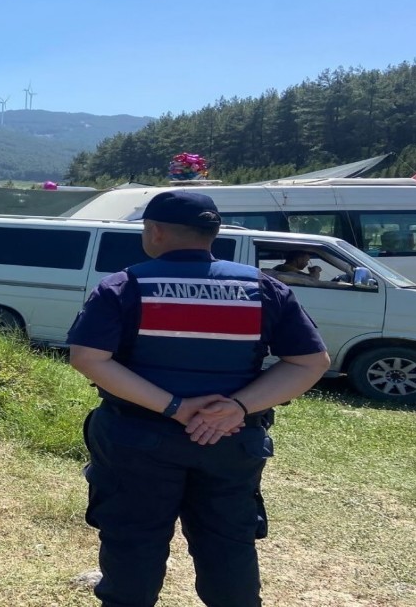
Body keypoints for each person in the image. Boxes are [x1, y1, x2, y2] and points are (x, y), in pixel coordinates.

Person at [65, 191, 331, 607]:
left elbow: (87, 358)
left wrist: (175, 406)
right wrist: (238, 407)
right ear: (213, 233)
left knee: (133, 546)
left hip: (137, 439)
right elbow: (311, 362)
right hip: (231, 440)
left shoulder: (125, 285)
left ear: (153, 231)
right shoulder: (262, 287)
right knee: (228, 546)